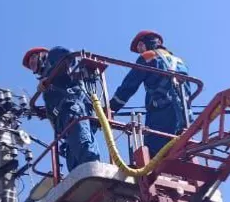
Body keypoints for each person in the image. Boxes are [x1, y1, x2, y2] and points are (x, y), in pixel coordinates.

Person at [108, 30, 193, 158]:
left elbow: (129, 86)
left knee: (153, 155)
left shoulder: (148, 57)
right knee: (179, 153)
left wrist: (111, 107)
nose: (140, 51)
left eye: (140, 46)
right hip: (185, 118)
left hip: (161, 116)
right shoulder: (180, 62)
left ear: (146, 43)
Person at [22, 45, 101, 173]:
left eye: (33, 57)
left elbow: (69, 55)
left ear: (42, 54)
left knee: (83, 147)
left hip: (73, 109)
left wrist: (51, 75)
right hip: (63, 123)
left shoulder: (53, 56)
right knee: (73, 163)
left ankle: (94, 173)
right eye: (29, 63)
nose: (31, 63)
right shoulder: (45, 85)